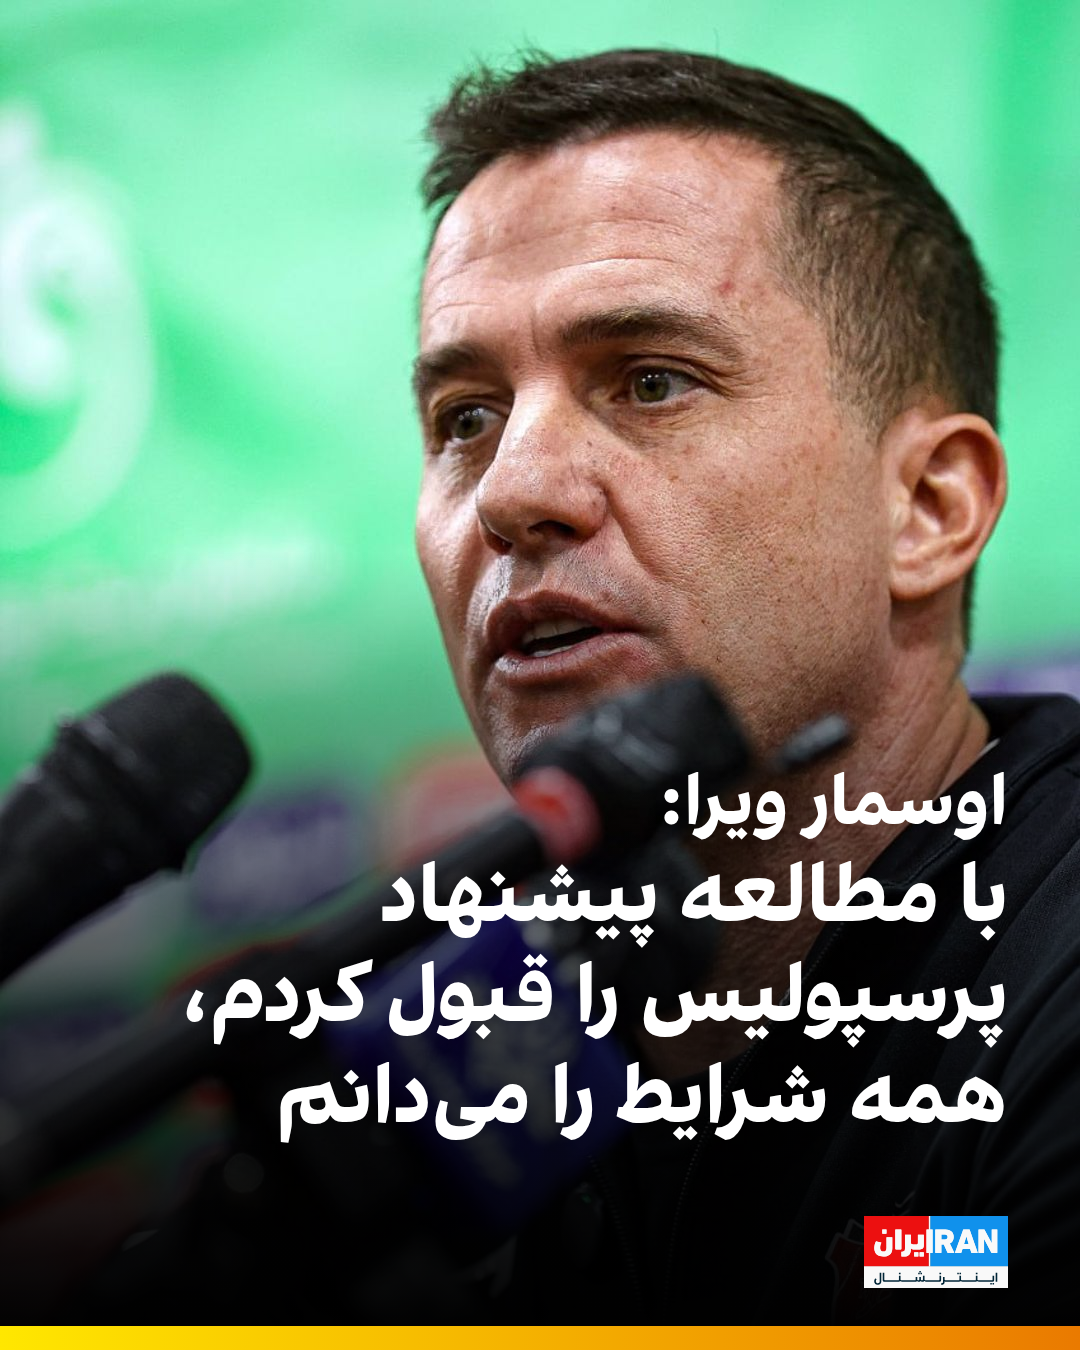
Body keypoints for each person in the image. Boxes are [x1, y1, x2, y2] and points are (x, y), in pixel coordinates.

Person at [413, 49, 1080, 1323]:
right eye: (465, 418)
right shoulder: (469, 1052)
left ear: (927, 508)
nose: (512, 492)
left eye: (651, 381)